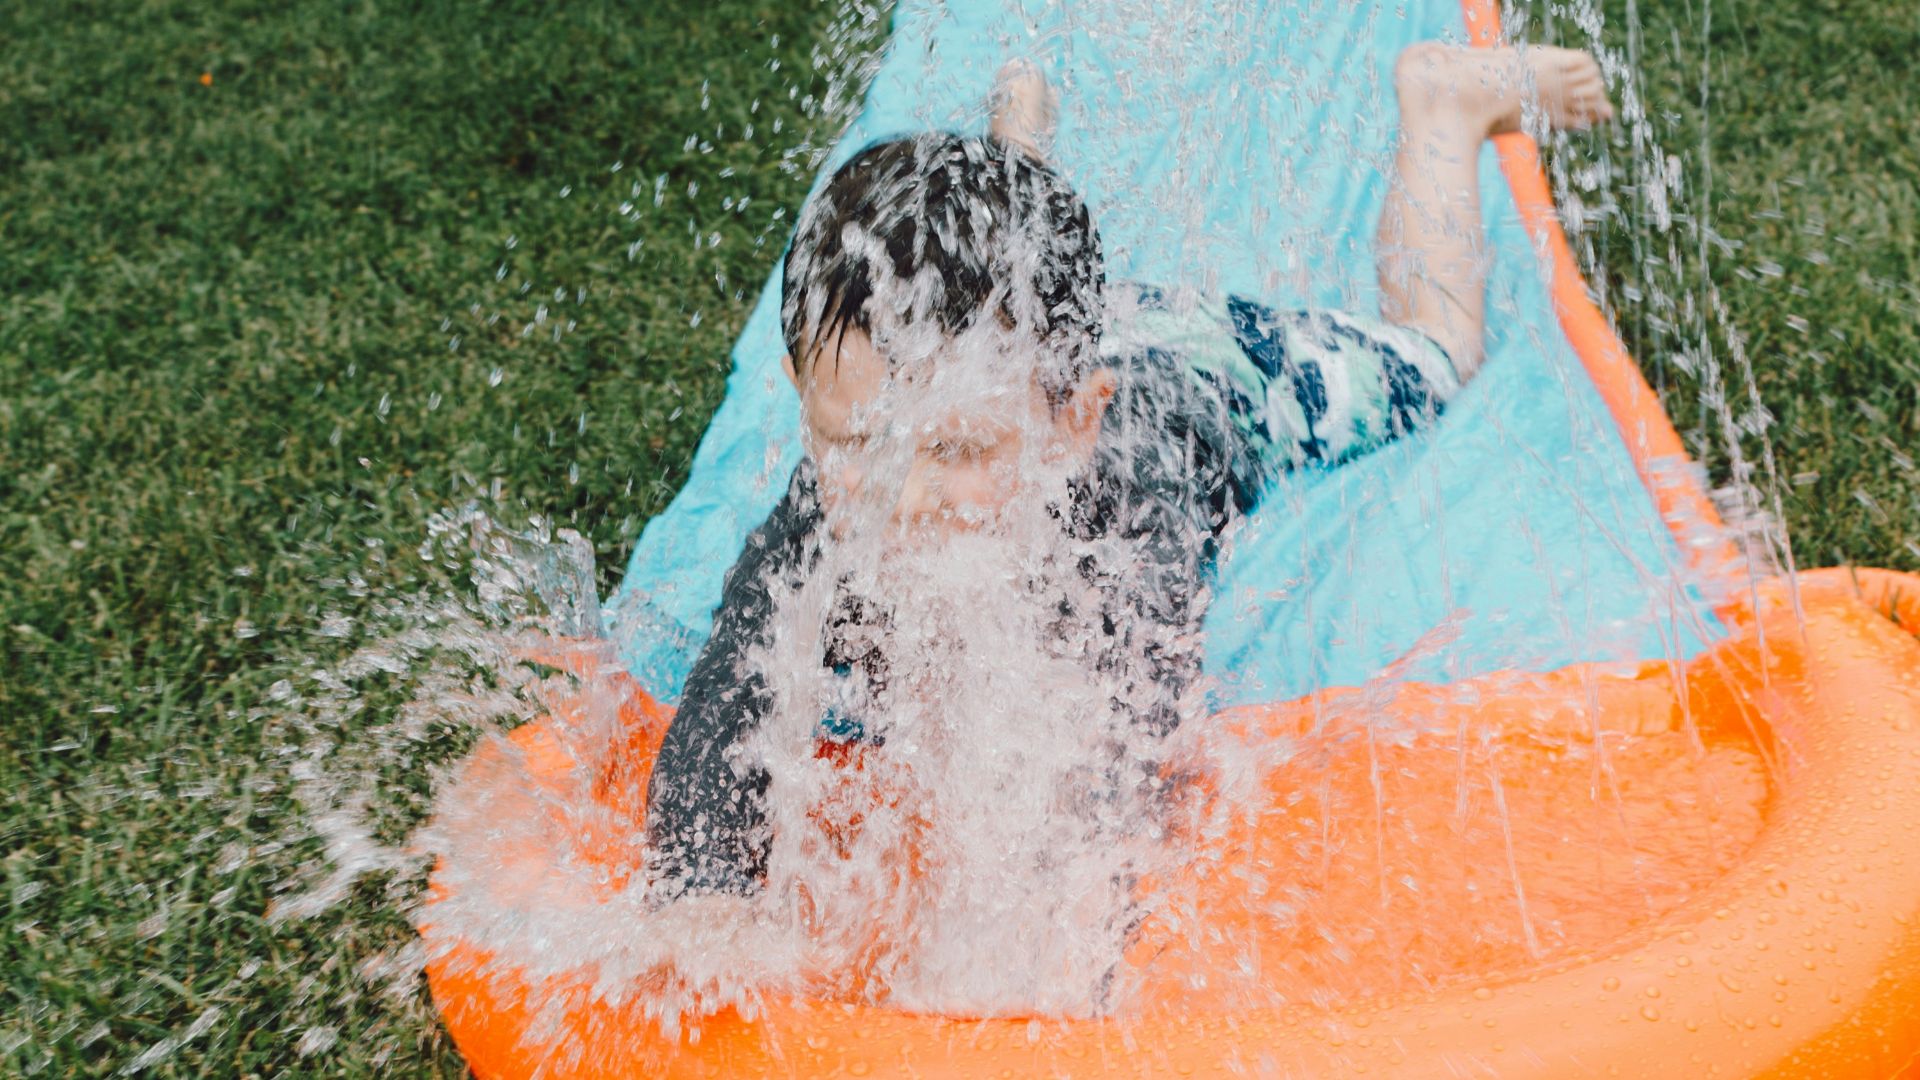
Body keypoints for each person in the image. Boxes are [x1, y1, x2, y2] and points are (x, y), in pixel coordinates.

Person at [644, 43, 1616, 898]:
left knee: (1437, 359)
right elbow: (732, 691)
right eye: (855, 442)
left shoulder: (1120, 524)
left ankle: (1443, 103)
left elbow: (1125, 763)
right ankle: (1011, 157)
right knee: (990, 319)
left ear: (1073, 429)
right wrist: (701, 896)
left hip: (1198, 371)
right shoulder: (856, 479)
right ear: (804, 395)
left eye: (953, 455)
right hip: (1015, 359)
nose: (898, 497)